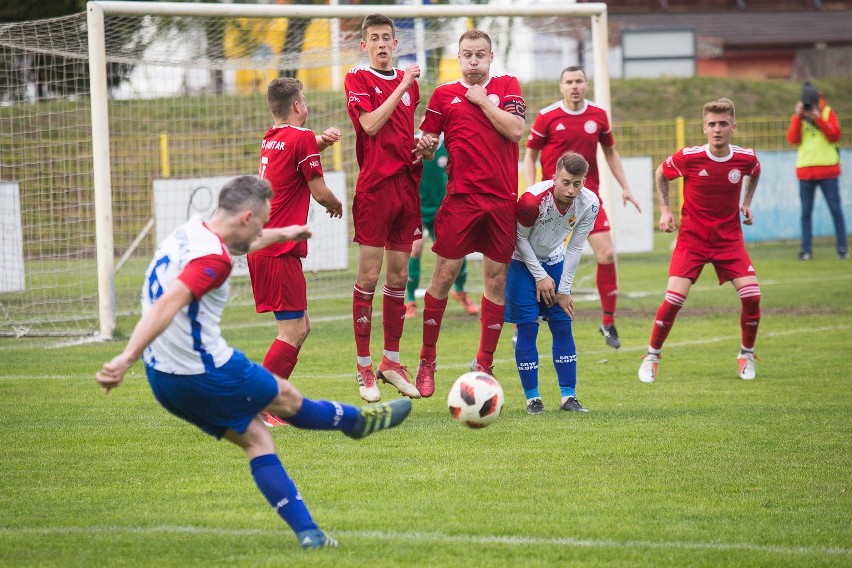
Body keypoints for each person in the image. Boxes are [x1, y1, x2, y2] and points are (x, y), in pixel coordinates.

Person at [95, 176, 412, 550]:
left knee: (258, 440)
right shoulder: (211, 261)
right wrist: (124, 357)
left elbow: (240, 244)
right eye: (263, 222)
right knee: (290, 400)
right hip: (207, 370)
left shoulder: (192, 232)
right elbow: (170, 303)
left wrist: (283, 234)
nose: (264, 227)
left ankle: (309, 534)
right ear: (246, 217)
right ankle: (357, 422)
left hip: (164, 379)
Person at [414, 29, 526, 398]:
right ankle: (427, 359)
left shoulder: (508, 85)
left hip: (501, 200)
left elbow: (515, 130)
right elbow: (426, 149)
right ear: (459, 58)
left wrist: (481, 101)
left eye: (480, 54)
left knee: (495, 281)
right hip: (460, 199)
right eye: (467, 54)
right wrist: (426, 145)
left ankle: (484, 363)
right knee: (444, 275)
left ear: (491, 57)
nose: (473, 60)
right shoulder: (444, 95)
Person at [344, 13, 436, 403]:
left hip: (406, 186)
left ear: (396, 44)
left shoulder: (409, 87)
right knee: (368, 277)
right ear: (364, 45)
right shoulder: (358, 78)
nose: (382, 44)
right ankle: (364, 367)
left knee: (398, 279)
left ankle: (391, 362)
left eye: (387, 38)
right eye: (375, 38)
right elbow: (369, 126)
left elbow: (403, 132)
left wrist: (423, 148)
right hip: (375, 190)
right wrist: (401, 84)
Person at [638, 98, 762, 383]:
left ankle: (746, 355)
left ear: (733, 126)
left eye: (723, 124)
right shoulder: (689, 157)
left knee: (752, 296)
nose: (717, 129)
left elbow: (754, 173)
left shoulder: (745, 157)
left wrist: (746, 203)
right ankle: (651, 357)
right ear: (704, 128)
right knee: (672, 301)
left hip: (729, 240)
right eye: (712, 124)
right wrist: (666, 210)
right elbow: (661, 173)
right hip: (692, 240)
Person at [524, 66, 641, 349]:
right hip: (551, 201)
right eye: (569, 82)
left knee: (607, 252)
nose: (574, 86)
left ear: (586, 85)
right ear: (561, 86)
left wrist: (625, 186)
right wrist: (530, 191)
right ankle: (525, 322)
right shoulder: (548, 116)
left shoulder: (598, 116)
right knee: (535, 259)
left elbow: (610, 153)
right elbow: (530, 155)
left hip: (588, 197)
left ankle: (608, 321)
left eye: (579, 81)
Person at [249, 77, 343, 427]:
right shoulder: (300, 138)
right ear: (298, 106)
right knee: (292, 331)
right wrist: (337, 205)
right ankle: (257, 404)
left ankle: (268, 402)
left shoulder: (272, 138)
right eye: (304, 100)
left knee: (300, 326)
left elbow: (301, 151)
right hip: (279, 249)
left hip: (267, 248)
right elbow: (319, 192)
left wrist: (320, 142)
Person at [506, 152, 598, 414]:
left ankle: (568, 397)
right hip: (521, 262)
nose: (571, 190)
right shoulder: (532, 200)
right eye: (566, 182)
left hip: (555, 261)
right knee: (527, 328)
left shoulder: (589, 203)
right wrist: (540, 275)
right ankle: (532, 399)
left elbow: (576, 247)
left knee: (562, 324)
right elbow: (519, 239)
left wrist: (564, 289)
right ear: (555, 177)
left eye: (577, 183)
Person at [405, 136, 479, 319]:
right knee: (415, 249)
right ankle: (410, 300)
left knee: (457, 250)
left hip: (443, 209)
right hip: (418, 209)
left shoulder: (449, 144)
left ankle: (460, 291)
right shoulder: (413, 144)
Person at [786, 81, 846, 261]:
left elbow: (835, 135)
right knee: (805, 212)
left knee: (835, 210)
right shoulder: (799, 115)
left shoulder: (828, 113)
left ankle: (842, 248)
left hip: (828, 171)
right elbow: (793, 139)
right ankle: (806, 250)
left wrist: (818, 117)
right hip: (805, 171)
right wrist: (797, 117)